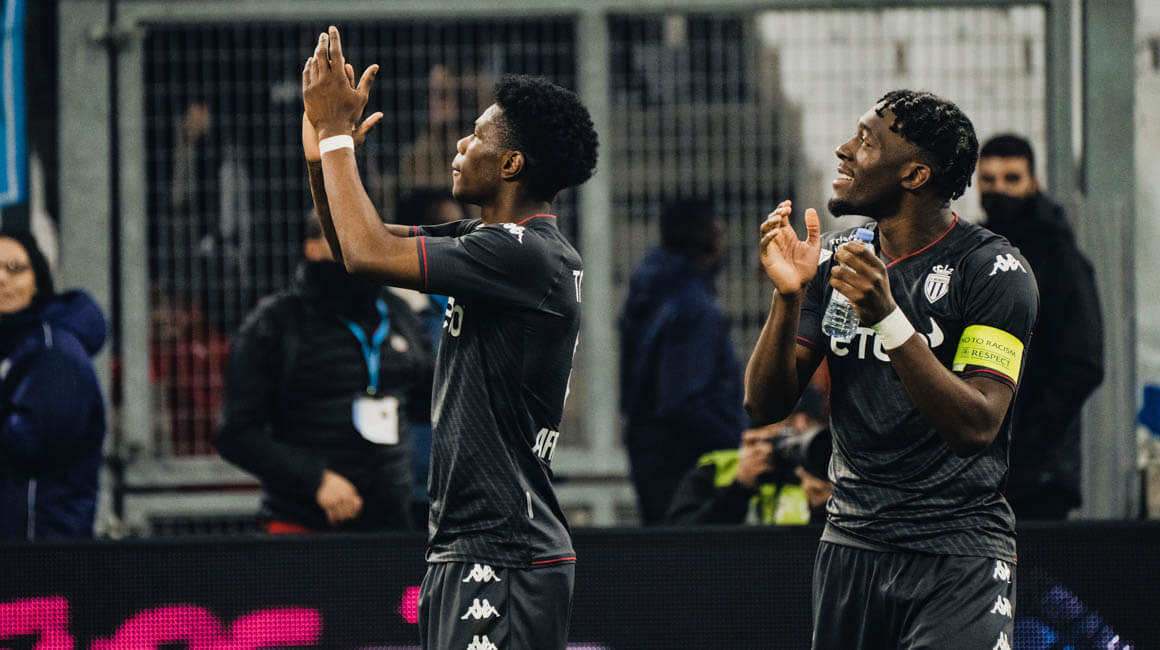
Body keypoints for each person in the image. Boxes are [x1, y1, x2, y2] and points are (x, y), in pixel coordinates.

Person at [301, 27, 598, 649]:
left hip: (503, 551)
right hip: (470, 547)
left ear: (511, 164)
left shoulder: (524, 254)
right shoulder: (494, 244)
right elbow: (357, 249)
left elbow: (367, 250)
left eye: (478, 135)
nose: (461, 144)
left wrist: (335, 139)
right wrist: (322, 155)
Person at [745, 90, 1038, 649]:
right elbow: (763, 405)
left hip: (957, 553)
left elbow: (976, 426)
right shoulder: (837, 260)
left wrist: (888, 319)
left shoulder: (994, 271)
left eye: (866, 141)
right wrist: (788, 296)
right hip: (850, 544)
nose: (844, 149)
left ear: (914, 175)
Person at [215, 214, 433, 533]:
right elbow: (235, 432)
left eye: (369, 236)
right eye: (346, 235)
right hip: (301, 526)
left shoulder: (401, 315)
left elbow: (429, 401)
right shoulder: (275, 323)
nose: (360, 246)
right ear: (312, 248)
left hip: (391, 526)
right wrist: (315, 479)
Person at [977, 134, 1104, 520]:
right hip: (982, 470)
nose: (999, 189)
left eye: (1011, 178)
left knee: (1041, 561)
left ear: (1034, 182)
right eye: (988, 179)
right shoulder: (977, 253)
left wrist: (1024, 437)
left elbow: (1082, 363)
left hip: (1038, 477)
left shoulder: (1061, 259)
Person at [619, 198, 747, 524]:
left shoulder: (652, 291)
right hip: (685, 458)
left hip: (652, 450)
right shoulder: (693, 306)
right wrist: (738, 441)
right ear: (707, 236)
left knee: (666, 545)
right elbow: (686, 399)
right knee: (690, 548)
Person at [0, 229, 108, 540]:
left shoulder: (52, 350)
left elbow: (34, 441)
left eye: (15, 268)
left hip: (40, 548)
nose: (2, 279)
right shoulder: (15, 345)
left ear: (37, 281)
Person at [665, 384, 831, 526]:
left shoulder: (832, 475)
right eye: (787, 423)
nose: (801, 428)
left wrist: (825, 510)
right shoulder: (718, 469)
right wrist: (739, 488)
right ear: (754, 435)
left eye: (810, 421)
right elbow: (681, 539)